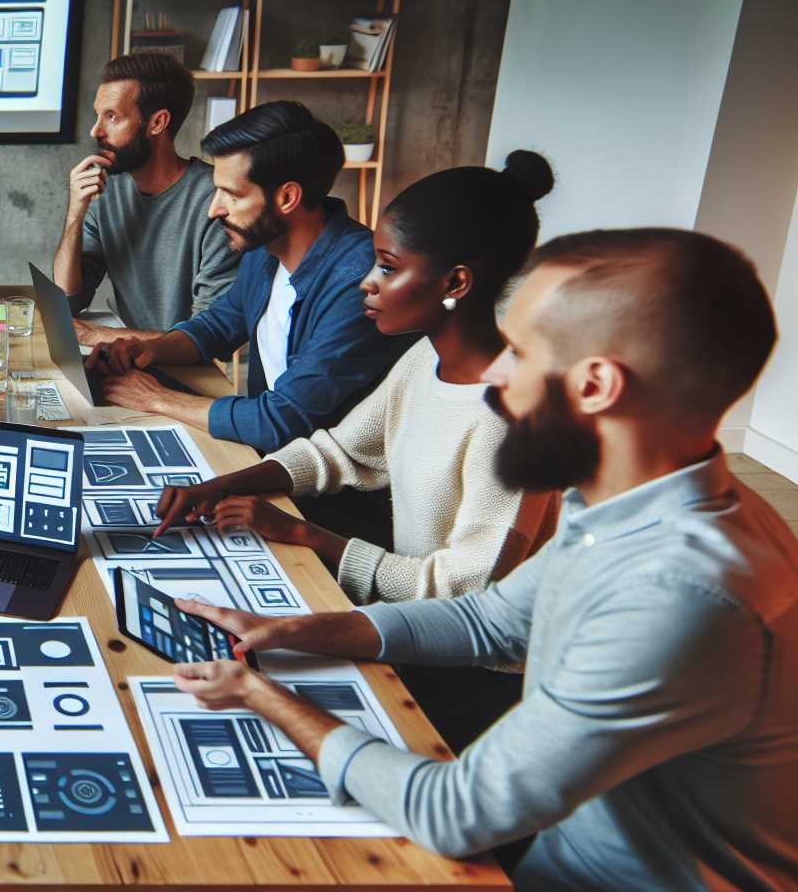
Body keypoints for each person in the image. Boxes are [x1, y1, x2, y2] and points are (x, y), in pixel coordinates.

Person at [166, 228, 798, 890]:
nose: (493, 374)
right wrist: (294, 630)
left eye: (519, 352)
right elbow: (489, 620)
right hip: (555, 852)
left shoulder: (680, 594)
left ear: (596, 385)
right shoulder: (630, 500)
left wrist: (261, 694)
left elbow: (454, 812)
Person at [156, 153, 560, 607]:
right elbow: (341, 452)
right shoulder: (423, 359)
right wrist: (222, 485)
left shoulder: (518, 415)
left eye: (387, 267)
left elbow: (465, 590)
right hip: (407, 621)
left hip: (470, 661)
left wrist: (300, 532)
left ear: (456, 283)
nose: (366, 283)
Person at [88, 101, 410, 455]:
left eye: (232, 194)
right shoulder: (265, 248)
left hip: (321, 489)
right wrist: (150, 349)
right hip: (272, 458)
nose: (214, 210)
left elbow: (282, 419)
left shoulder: (356, 283)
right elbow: (220, 325)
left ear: (287, 197)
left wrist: (157, 398)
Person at [53, 53, 240, 341]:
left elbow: (208, 337)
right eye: (98, 115)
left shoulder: (215, 202)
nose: (95, 130)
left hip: (183, 369)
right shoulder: (106, 190)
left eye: (112, 117)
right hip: (124, 353)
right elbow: (67, 302)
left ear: (157, 123)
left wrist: (95, 335)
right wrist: (75, 214)